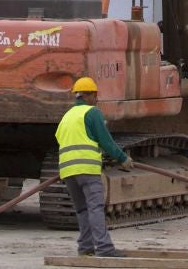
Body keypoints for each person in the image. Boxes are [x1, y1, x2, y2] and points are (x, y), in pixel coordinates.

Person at [55, 76, 133, 258]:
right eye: (95, 95)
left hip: (67, 171)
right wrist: (123, 158)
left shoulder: (67, 116)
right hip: (87, 169)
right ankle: (105, 248)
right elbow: (105, 140)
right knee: (95, 208)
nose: (97, 99)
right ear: (87, 95)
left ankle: (85, 248)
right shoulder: (92, 113)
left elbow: (59, 138)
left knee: (83, 210)